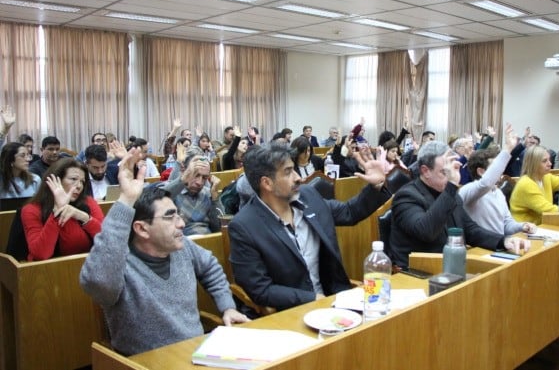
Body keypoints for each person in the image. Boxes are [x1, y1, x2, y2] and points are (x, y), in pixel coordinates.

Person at [79, 148, 249, 356]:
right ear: (142, 228)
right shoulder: (120, 264)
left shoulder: (182, 247)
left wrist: (227, 306)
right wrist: (126, 200)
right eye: (170, 217)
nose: (182, 223)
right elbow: (96, 281)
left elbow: (210, 267)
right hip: (146, 362)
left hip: (195, 353)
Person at [228, 144, 391, 311]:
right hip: (290, 312)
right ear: (267, 183)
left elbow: (349, 212)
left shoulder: (308, 196)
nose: (298, 177)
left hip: (334, 302)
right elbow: (261, 289)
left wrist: (376, 186)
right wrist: (312, 298)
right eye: (288, 172)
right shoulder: (244, 226)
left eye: (295, 169)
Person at [390, 140, 530, 270]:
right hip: (418, 270)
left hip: (451, 265)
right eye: (444, 172)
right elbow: (426, 231)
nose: (451, 176)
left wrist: (503, 241)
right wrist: (451, 185)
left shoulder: (450, 195)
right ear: (425, 171)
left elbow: (470, 230)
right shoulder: (407, 196)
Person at [458, 124, 537, 236]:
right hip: (480, 249)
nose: (500, 170)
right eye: (494, 167)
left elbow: (507, 224)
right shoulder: (469, 190)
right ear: (481, 171)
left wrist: (522, 226)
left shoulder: (498, 192)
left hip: (499, 245)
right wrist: (508, 148)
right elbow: (485, 184)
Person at [21, 158, 104, 261]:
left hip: (87, 266)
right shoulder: (32, 210)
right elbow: (40, 254)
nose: (79, 186)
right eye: (73, 179)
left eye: (82, 182)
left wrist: (83, 217)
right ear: (56, 180)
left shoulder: (88, 202)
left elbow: (107, 241)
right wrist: (57, 211)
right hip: (48, 271)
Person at [509, 145, 559, 224]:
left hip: (541, 227)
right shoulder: (526, 184)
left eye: (549, 160)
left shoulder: (545, 177)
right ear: (533, 164)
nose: (550, 164)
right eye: (545, 161)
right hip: (522, 232)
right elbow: (549, 210)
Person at [164, 153, 222, 236]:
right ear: (184, 171)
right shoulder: (172, 189)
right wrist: (182, 180)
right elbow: (157, 200)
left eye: (204, 178)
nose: (199, 182)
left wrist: (215, 199)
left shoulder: (208, 193)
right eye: (195, 175)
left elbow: (219, 228)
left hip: (208, 241)